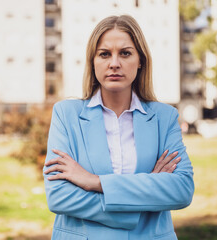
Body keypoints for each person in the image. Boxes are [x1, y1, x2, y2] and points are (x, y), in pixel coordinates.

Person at [43, 15, 194, 240]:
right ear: (93, 61)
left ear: (140, 60)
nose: (114, 63)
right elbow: (59, 196)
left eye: (125, 53)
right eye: (104, 54)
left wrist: (95, 182)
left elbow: (181, 189)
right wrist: (144, 194)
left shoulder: (165, 117)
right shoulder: (66, 115)